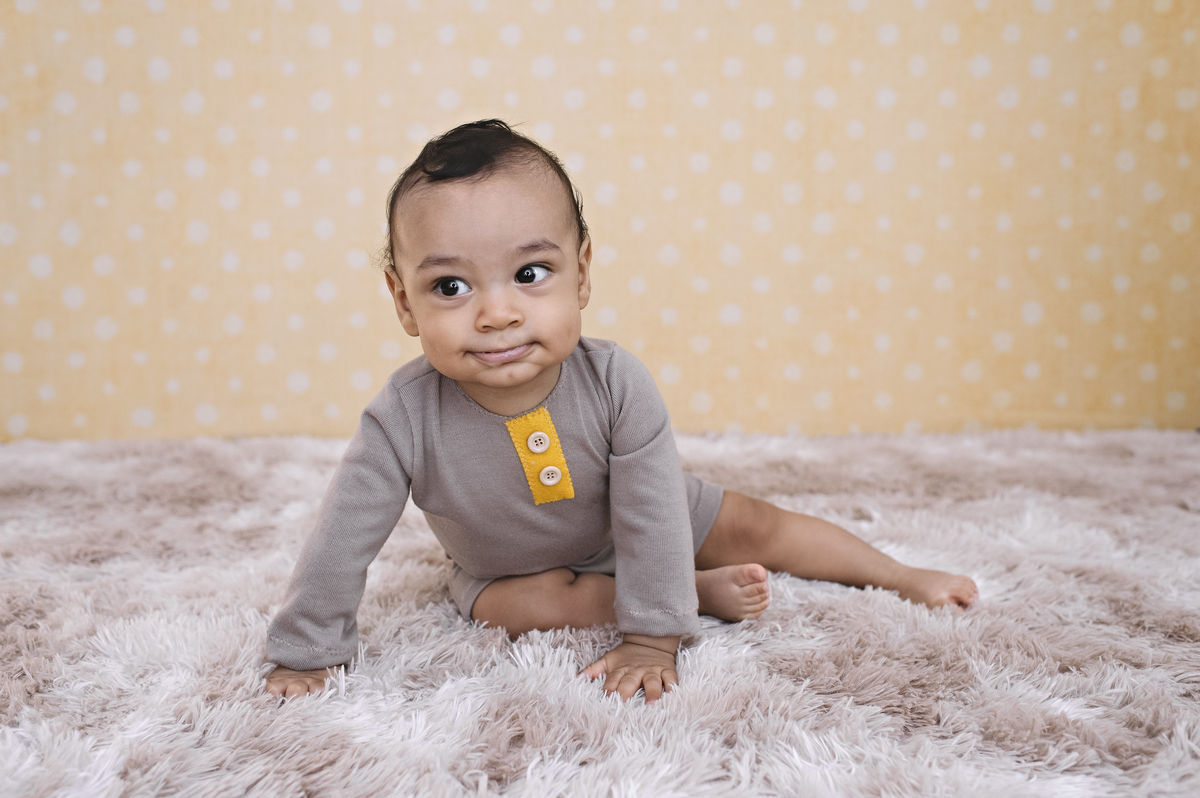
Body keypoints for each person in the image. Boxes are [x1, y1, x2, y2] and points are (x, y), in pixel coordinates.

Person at [264, 120, 978, 703]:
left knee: (755, 524)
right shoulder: (402, 417)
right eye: (450, 285)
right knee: (524, 609)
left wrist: (652, 637)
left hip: (639, 516)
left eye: (531, 274)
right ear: (402, 302)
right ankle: (696, 596)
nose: (497, 312)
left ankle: (896, 574)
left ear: (582, 273)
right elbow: (343, 536)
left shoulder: (614, 383)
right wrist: (307, 651)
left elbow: (651, 513)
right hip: (510, 571)